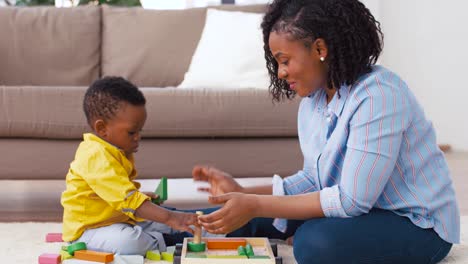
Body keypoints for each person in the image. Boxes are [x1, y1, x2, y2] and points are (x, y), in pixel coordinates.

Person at [192, 0, 460, 263]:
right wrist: (247, 193)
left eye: (284, 60)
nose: (281, 72)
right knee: (243, 214)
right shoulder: (314, 102)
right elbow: (314, 178)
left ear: (320, 48)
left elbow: (351, 200)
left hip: (416, 226)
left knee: (314, 242)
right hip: (361, 215)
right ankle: (173, 225)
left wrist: (257, 204)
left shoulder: (379, 95)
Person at [61, 77, 198, 255]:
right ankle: (168, 241)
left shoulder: (115, 149)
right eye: (132, 132)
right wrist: (170, 217)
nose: (138, 137)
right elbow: (127, 200)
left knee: (158, 217)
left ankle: (174, 229)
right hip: (89, 231)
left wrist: (143, 200)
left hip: (120, 218)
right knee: (129, 242)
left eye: (140, 130)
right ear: (102, 128)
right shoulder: (95, 155)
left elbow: (116, 192)